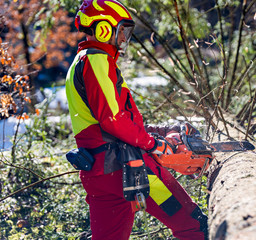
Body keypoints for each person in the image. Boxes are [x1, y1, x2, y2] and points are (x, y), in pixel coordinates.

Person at [65, 0, 208, 239]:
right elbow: (113, 119)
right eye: (121, 30)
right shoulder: (96, 59)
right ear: (103, 29)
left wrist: (161, 131)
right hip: (129, 169)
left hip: (98, 174)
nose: (123, 38)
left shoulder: (77, 64)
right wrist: (154, 144)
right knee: (192, 224)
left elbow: (105, 123)